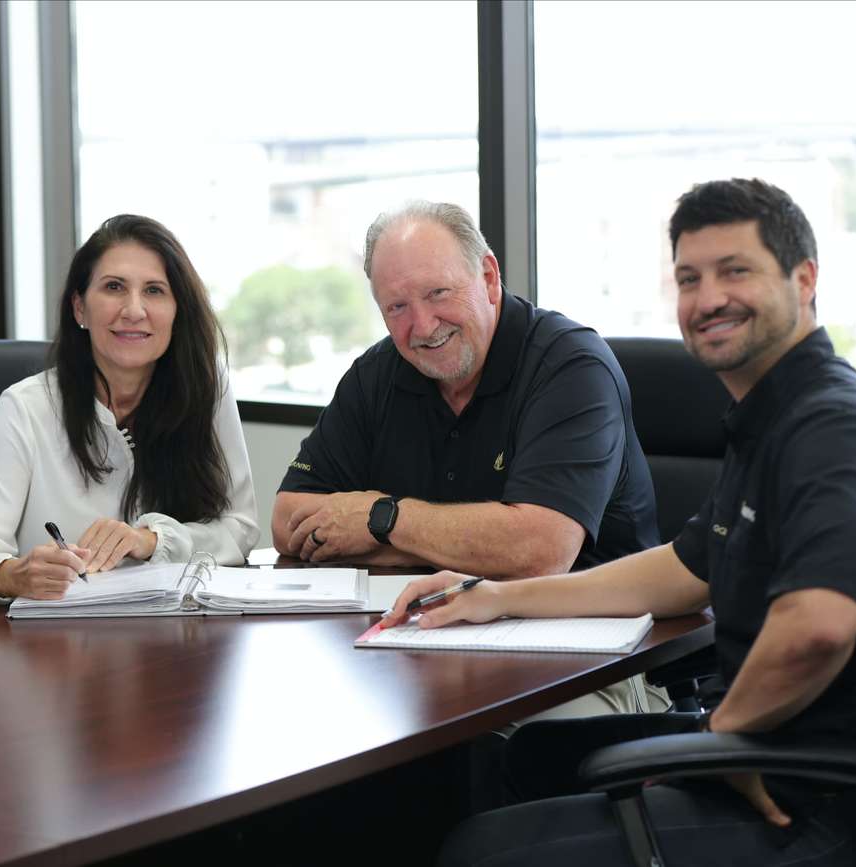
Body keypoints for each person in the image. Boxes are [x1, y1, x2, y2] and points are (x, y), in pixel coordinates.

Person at [384, 179, 856, 866]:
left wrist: (719, 742)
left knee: (476, 850)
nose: (708, 299)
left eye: (735, 271)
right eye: (689, 277)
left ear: (805, 279)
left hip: (811, 799)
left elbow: (819, 625)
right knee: (531, 755)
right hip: (766, 749)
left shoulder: (828, 424)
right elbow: (680, 570)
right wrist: (494, 594)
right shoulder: (770, 419)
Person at [275, 200, 664, 717]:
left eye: (438, 293)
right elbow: (289, 520)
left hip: (584, 652)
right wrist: (461, 546)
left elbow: (541, 552)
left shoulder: (571, 366)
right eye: (396, 307)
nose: (423, 325)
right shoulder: (377, 374)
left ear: (487, 275)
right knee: (314, 720)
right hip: (426, 642)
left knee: (508, 747)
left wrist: (380, 518)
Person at [0, 214, 257, 604]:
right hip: (57, 647)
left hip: (180, 638)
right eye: (114, 287)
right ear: (79, 309)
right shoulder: (26, 407)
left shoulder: (208, 391)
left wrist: (153, 540)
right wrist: (13, 574)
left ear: (178, 311)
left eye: (155, 291)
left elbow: (239, 529)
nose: (134, 310)